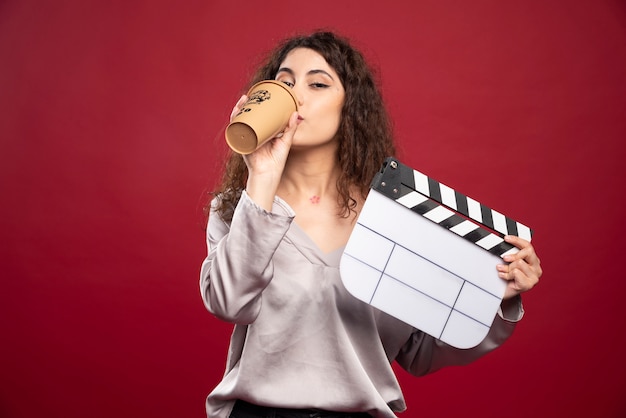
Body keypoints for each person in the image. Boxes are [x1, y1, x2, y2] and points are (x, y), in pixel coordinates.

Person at [199, 31, 542, 418]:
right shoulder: (236, 209)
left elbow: (419, 352)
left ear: (350, 107)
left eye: (318, 83)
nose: (296, 95)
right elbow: (228, 302)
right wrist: (261, 174)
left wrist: (497, 296)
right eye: (285, 81)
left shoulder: (397, 218)